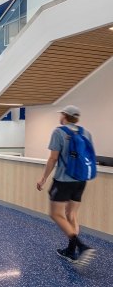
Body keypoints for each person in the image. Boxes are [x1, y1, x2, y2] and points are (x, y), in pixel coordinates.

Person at [37, 105, 96, 265]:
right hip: (81, 180)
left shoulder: (59, 132)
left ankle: (81, 246)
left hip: (63, 180)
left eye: (61, 114)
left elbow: (53, 158)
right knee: (72, 215)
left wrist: (43, 178)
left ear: (64, 115)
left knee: (55, 214)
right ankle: (71, 251)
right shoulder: (86, 133)